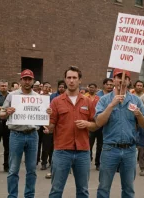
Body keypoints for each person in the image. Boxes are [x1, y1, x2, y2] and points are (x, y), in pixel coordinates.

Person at [95, 69, 144, 197]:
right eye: (118, 77)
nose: (122, 80)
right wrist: (111, 105)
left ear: (129, 81)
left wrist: (139, 115)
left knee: (128, 189)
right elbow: (98, 122)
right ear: (113, 80)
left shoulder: (135, 100)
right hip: (109, 149)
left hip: (129, 150)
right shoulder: (104, 100)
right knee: (104, 187)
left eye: (125, 78)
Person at [47, 66, 98, 197]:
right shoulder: (56, 101)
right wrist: (45, 121)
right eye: (69, 78)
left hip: (83, 152)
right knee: (56, 190)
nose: (71, 81)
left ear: (80, 80)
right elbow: (50, 127)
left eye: (74, 78)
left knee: (83, 191)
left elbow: (95, 125)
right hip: (62, 151)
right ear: (65, 80)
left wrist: (87, 124)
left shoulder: (87, 101)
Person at [0, 69, 52, 198]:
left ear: (33, 81)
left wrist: (46, 119)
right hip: (16, 134)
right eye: (25, 79)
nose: (27, 81)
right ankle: (12, 195)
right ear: (21, 80)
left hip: (33, 135)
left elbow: (41, 117)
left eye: (30, 79)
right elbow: (1, 114)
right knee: (13, 169)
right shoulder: (12, 96)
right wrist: (7, 112)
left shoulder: (38, 98)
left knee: (32, 170)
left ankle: (29, 195)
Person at [86, 83, 101, 170]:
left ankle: (98, 163)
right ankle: (88, 161)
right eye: (90, 87)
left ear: (96, 89)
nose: (91, 89)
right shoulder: (84, 98)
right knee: (89, 145)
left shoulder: (99, 99)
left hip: (99, 124)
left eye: (93, 88)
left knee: (100, 145)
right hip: (89, 124)